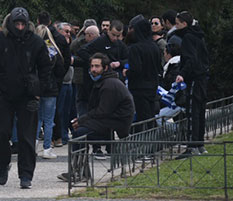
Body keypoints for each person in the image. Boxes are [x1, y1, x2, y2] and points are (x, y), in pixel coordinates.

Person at [0, 7, 51, 189]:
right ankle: (2, 165)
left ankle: (26, 175)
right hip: (4, 94)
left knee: (27, 137)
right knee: (2, 133)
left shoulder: (36, 42)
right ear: (11, 23)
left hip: (28, 94)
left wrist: (39, 91)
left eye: (23, 24)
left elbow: (45, 67)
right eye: (17, 24)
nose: (20, 27)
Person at [58, 53, 135, 182]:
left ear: (105, 68)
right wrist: (83, 120)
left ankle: (79, 172)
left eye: (97, 66)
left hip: (116, 123)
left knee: (79, 134)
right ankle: (80, 171)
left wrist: (82, 120)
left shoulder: (109, 84)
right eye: (92, 66)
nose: (93, 69)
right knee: (79, 132)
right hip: (111, 120)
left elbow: (103, 111)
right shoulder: (104, 81)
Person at [172, 11, 210, 157]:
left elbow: (190, 59)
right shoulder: (199, 36)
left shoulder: (188, 37)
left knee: (192, 111)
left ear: (184, 24)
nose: (175, 27)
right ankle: (199, 144)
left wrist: (182, 73)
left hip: (194, 78)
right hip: (202, 77)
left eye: (177, 24)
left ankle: (192, 145)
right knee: (199, 110)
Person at [124, 15, 162, 129]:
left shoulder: (135, 48)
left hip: (139, 88)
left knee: (142, 118)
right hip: (153, 86)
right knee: (150, 115)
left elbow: (136, 69)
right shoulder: (154, 46)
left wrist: (127, 72)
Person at [34, 25, 65, 159]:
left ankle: (34, 145)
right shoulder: (53, 50)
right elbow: (60, 70)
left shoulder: (34, 49)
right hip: (51, 88)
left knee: (37, 119)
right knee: (49, 120)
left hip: (37, 88)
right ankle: (47, 148)